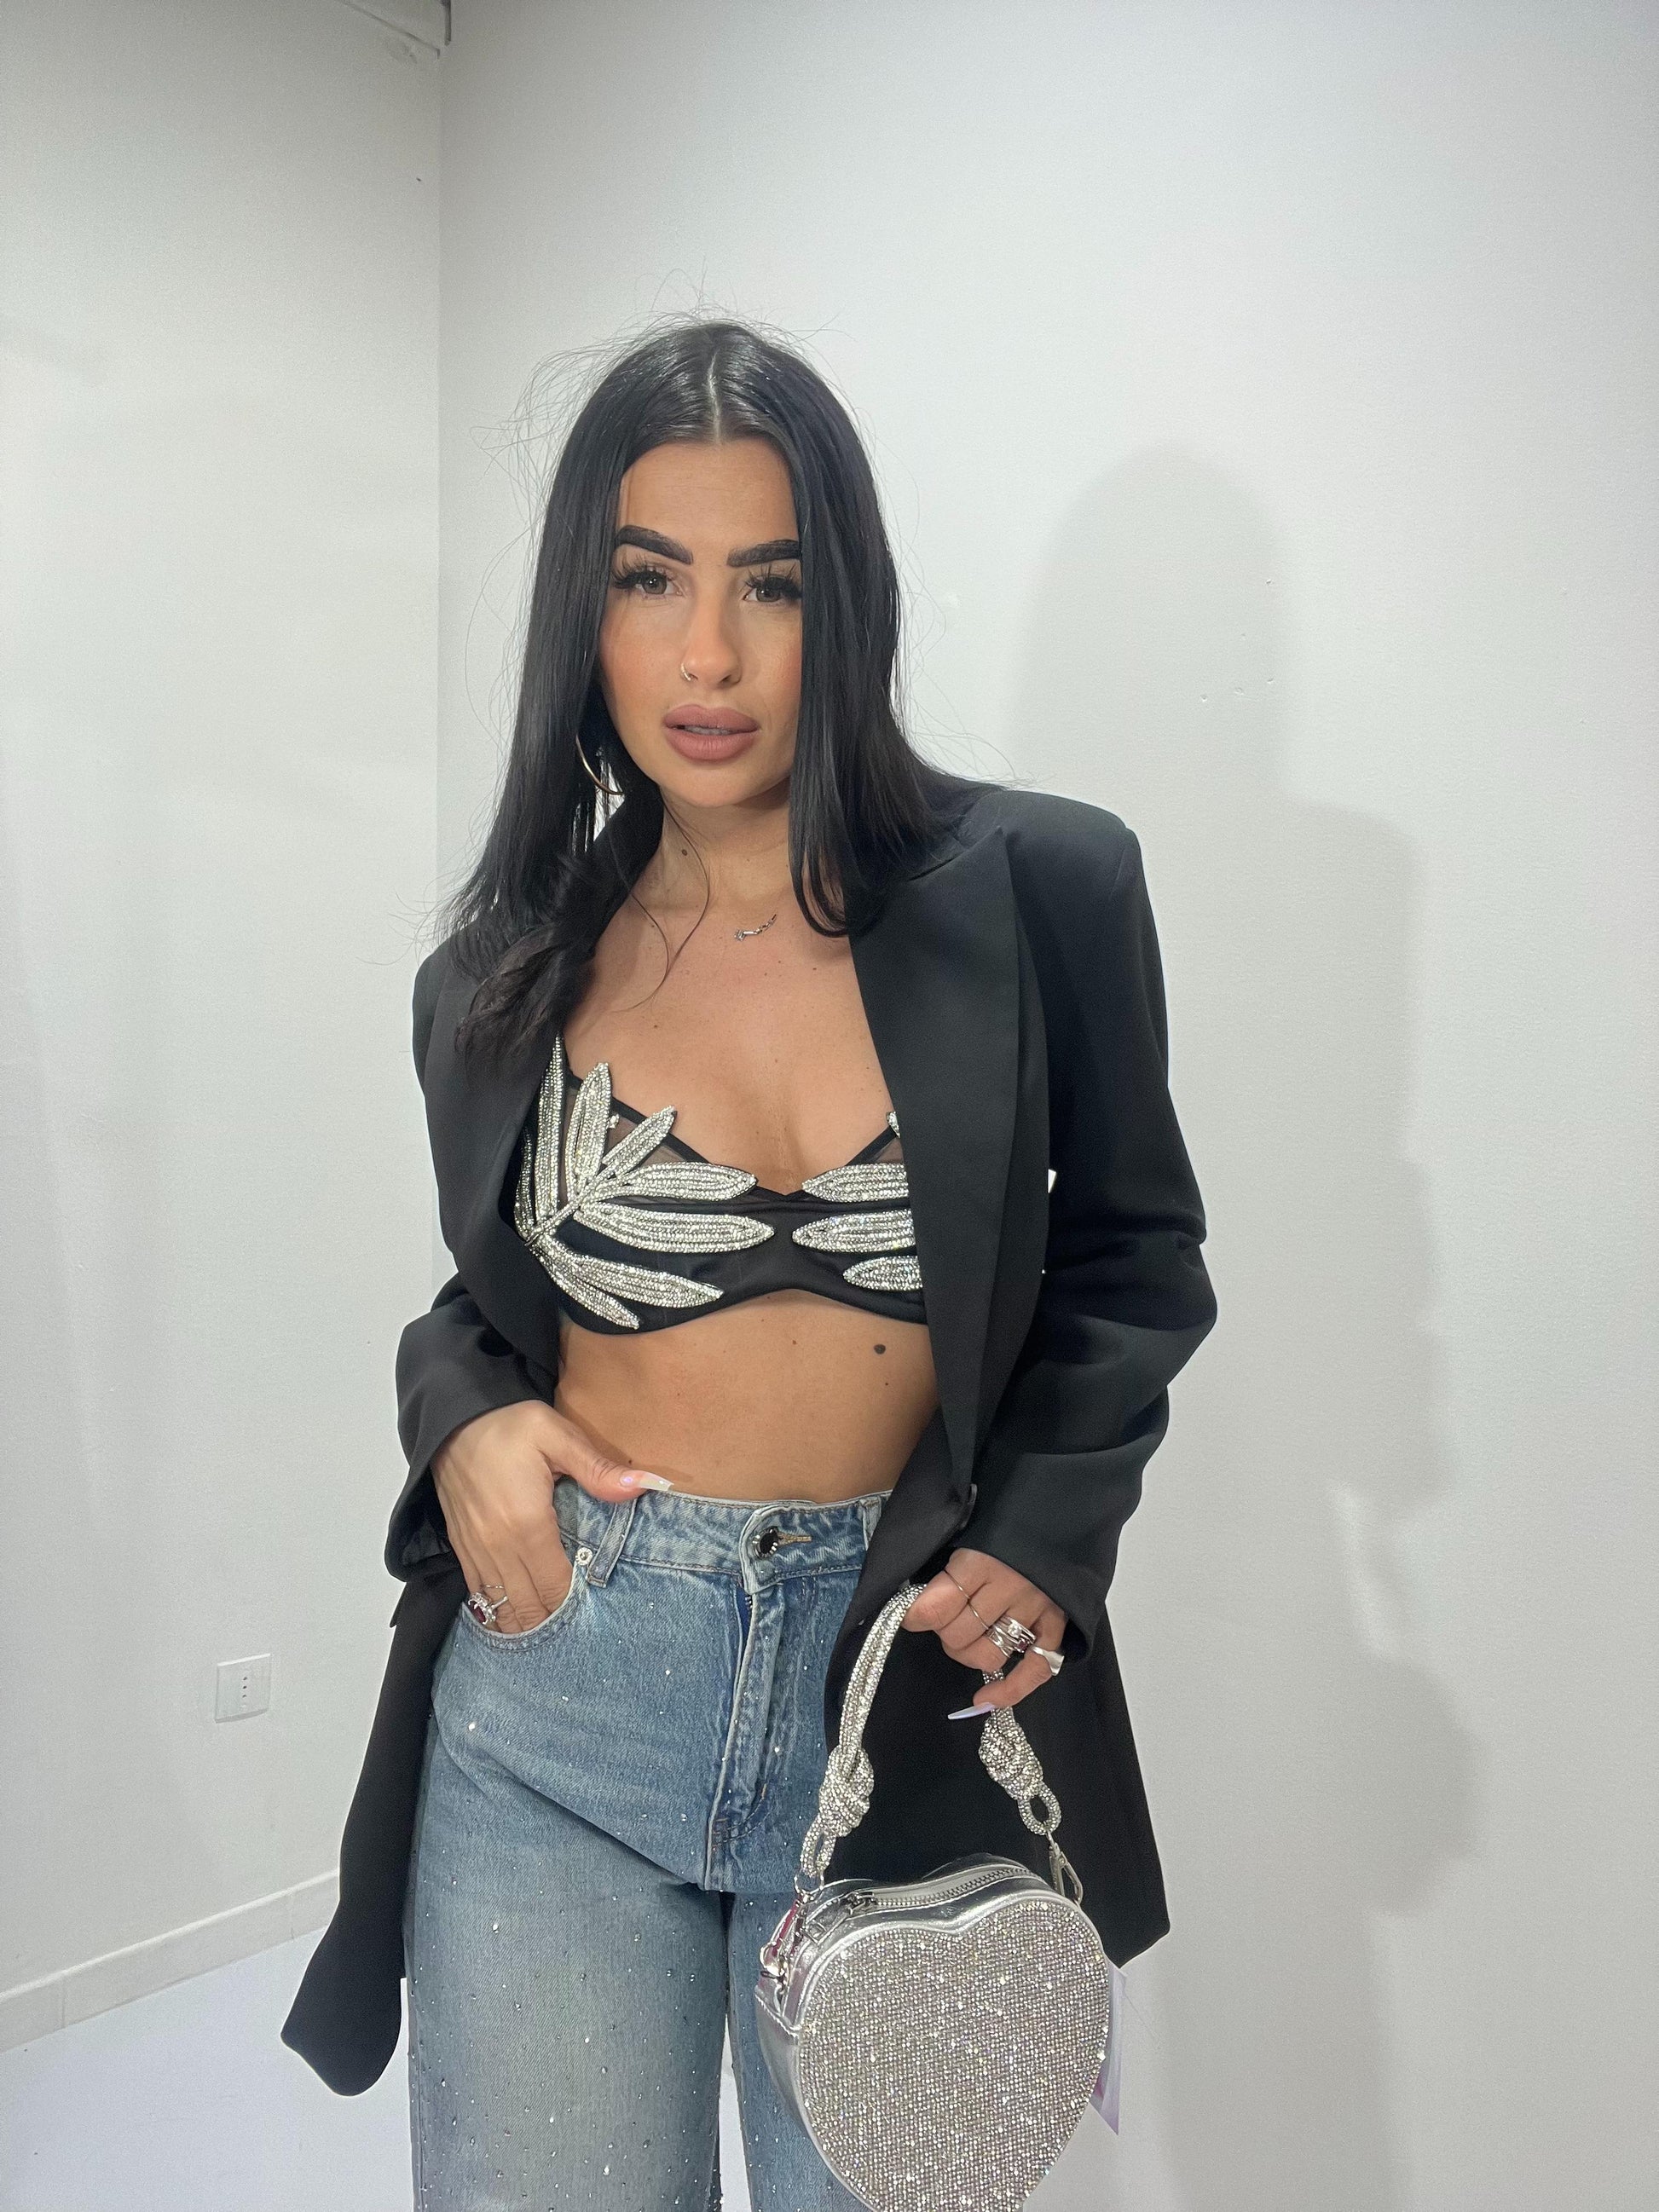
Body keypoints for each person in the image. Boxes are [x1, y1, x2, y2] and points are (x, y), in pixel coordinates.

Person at [282, 317, 1217, 2212]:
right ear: (585, 610)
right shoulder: (493, 976)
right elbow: (489, 1303)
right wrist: (459, 1417)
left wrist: (1048, 1531)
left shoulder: (1042, 889)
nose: (706, 655)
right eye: (649, 579)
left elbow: (1134, 1250)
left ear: (843, 604)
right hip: (561, 1693)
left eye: (768, 584)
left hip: (897, 1699)